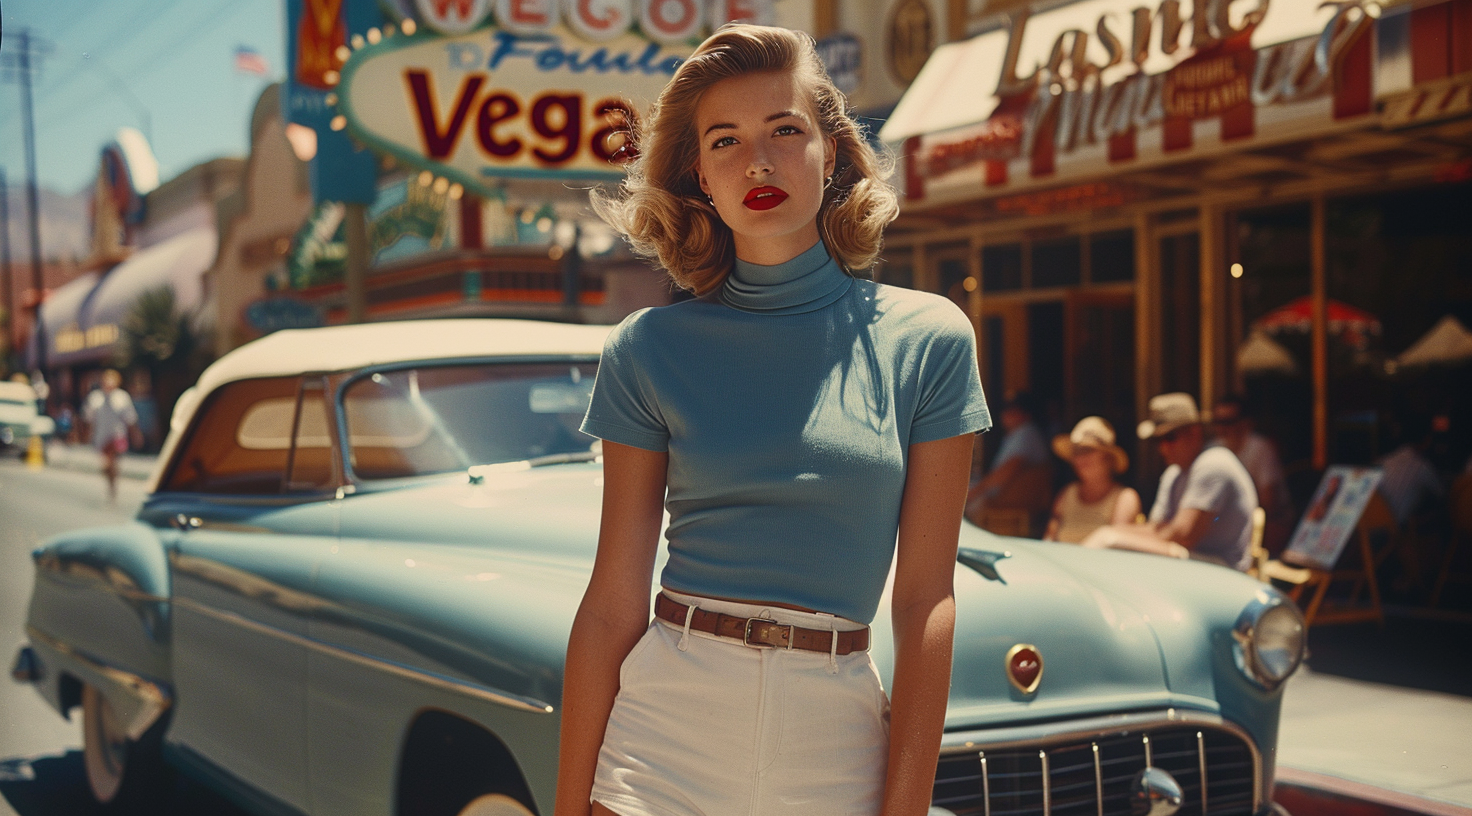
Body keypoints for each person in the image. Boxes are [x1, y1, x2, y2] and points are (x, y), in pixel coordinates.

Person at [557, 25, 990, 816]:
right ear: (701, 178)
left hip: (836, 744)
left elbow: (926, 596)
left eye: (785, 131)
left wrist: (907, 804)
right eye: (725, 142)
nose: (757, 162)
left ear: (831, 152)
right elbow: (614, 600)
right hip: (663, 739)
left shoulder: (928, 339)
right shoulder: (648, 348)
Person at [1081, 392, 1258, 571]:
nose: (1163, 447)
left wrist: (1114, 536)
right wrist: (1112, 533)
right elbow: (1159, 529)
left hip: (1225, 573)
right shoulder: (1173, 473)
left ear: (1194, 432)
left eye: (1170, 437)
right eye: (1158, 440)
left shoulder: (1213, 463)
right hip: (1190, 565)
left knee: (1110, 541)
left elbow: (1182, 536)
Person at [1211, 395, 1293, 553]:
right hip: (1228, 523)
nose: (1221, 429)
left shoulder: (1260, 448)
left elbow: (1270, 504)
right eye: (1217, 422)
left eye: (1228, 422)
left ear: (1246, 423)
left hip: (1268, 523)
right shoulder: (1213, 448)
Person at [1043, 416, 1142, 544]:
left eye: (1087, 450)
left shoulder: (1125, 497)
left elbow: (1118, 550)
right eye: (1076, 451)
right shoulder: (1067, 494)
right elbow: (1049, 540)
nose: (1080, 457)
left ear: (1107, 457)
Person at [964, 392, 1050, 526]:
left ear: (1026, 414)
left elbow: (1010, 468)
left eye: (1013, 410)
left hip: (1004, 500)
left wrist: (975, 491)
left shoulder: (1026, 433)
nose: (1006, 414)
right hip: (997, 496)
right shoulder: (1018, 434)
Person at [83, 369, 139, 503]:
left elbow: (130, 419)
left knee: (113, 462)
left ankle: (113, 489)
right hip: (101, 436)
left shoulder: (122, 397)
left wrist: (136, 435)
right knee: (105, 465)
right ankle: (111, 483)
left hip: (117, 436)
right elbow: (89, 419)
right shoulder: (95, 398)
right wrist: (87, 435)